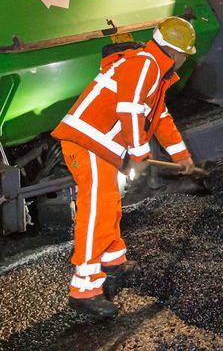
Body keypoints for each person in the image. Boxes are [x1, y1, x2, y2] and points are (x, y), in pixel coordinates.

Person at [51, 17, 198, 319]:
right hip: (88, 141)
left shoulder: (154, 72)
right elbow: (128, 109)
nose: (185, 60)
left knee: (110, 203)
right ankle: (84, 290)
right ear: (176, 52)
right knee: (97, 210)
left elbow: (159, 117)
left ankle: (114, 261)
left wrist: (181, 155)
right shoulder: (145, 64)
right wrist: (140, 153)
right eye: (186, 54)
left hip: (103, 145)